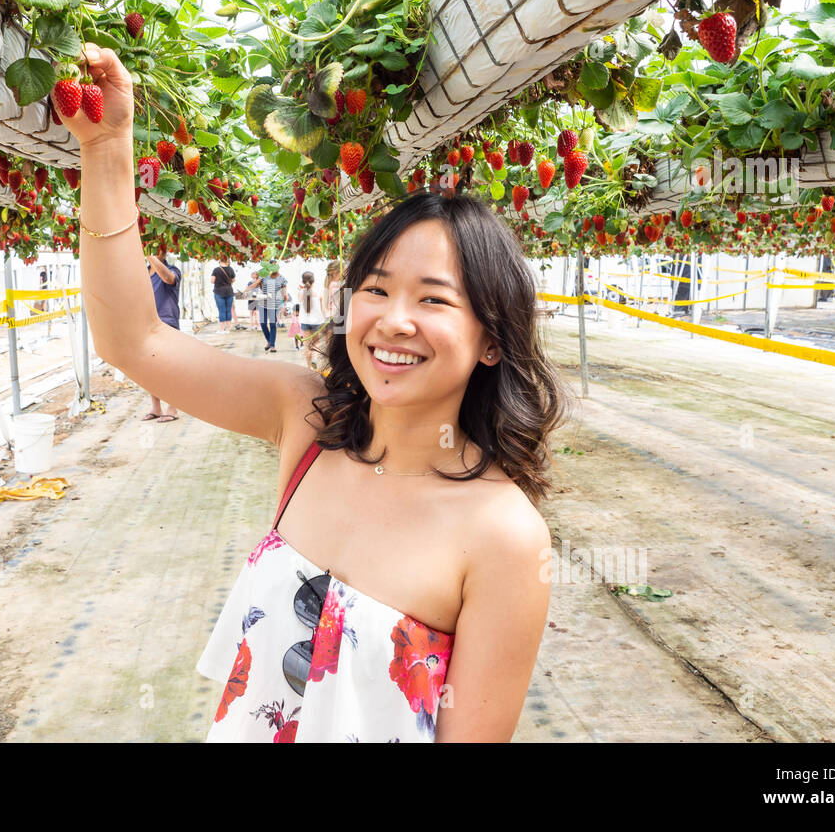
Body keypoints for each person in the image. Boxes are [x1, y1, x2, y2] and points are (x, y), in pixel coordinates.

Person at [61, 41, 567, 743]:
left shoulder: (505, 539)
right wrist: (108, 149)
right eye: (377, 289)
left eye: (434, 300)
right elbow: (134, 341)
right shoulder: (307, 423)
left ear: (492, 339)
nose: (393, 320)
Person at [141, 250, 181, 423]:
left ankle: (173, 408)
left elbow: (167, 279)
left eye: (158, 249)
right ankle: (156, 408)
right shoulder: (142, 273)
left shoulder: (173, 270)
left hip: (167, 323)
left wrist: (150, 256)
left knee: (169, 367)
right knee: (150, 369)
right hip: (146, 324)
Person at [244, 264, 288, 353]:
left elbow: (285, 295)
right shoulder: (264, 275)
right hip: (263, 303)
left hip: (274, 304)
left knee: (272, 324)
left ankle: (272, 345)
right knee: (263, 324)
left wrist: (284, 306)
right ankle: (269, 340)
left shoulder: (282, 279)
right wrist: (245, 291)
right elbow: (255, 284)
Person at [297, 270, 324, 371]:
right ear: (314, 281)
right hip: (317, 322)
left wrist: (301, 289)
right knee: (316, 343)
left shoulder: (300, 292)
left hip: (305, 322)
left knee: (307, 346)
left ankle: (308, 368)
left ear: (303, 281)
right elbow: (323, 309)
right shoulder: (318, 292)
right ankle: (315, 358)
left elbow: (300, 299)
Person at [210, 260, 236, 334]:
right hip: (229, 291)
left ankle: (221, 329)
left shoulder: (216, 270)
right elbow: (233, 280)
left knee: (222, 310)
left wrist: (219, 281)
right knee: (228, 310)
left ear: (220, 261)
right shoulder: (230, 269)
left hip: (219, 291)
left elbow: (212, 281)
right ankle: (227, 329)